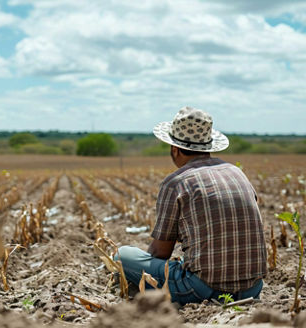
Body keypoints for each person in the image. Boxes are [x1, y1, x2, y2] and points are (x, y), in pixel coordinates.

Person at [114, 106, 267, 305]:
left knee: (122, 256)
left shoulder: (176, 182)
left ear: (174, 149)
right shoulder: (237, 173)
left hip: (203, 290)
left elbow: (160, 252)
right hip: (253, 289)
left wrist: (139, 273)